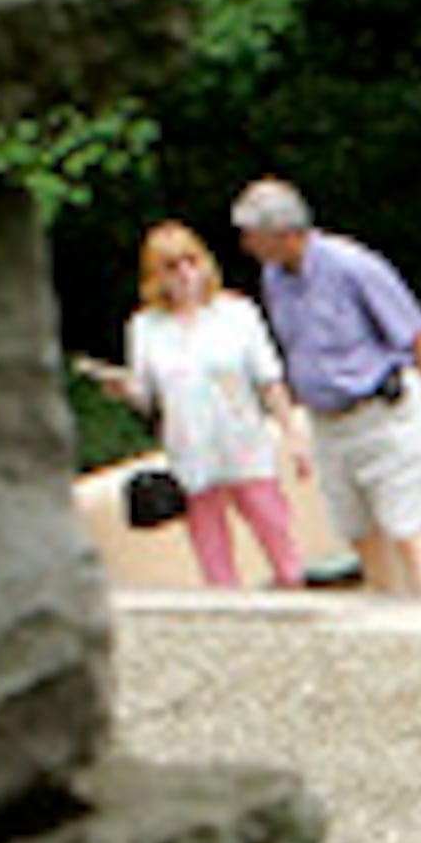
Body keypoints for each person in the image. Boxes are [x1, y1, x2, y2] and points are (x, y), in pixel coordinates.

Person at [228, 178, 421, 596]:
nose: (247, 245)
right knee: (358, 529)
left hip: (380, 411)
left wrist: (412, 395)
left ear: (285, 234)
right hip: (328, 419)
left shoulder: (353, 266)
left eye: (253, 235)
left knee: (406, 527)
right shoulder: (274, 279)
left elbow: (414, 333)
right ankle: (383, 612)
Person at [82, 221, 300, 588]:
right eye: (172, 267)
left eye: (190, 262)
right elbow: (149, 394)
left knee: (272, 524)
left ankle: (293, 590)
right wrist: (125, 389)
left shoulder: (236, 313)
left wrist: (291, 434)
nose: (185, 274)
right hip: (190, 448)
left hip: (243, 440)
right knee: (211, 546)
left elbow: (269, 378)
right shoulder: (146, 326)